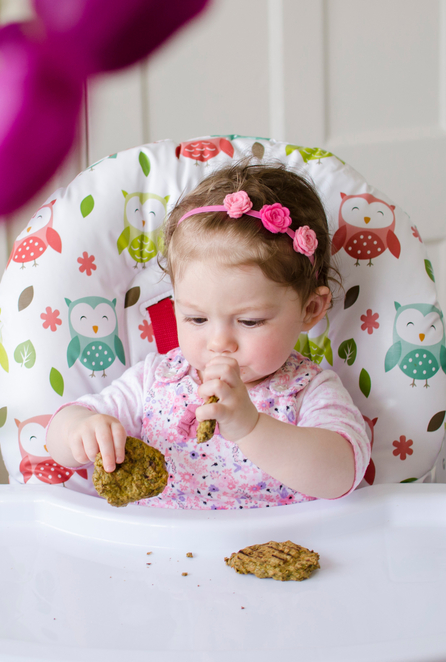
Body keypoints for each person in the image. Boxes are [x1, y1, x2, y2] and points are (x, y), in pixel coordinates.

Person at [44, 161, 371, 508]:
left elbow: (342, 475)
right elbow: (57, 438)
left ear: (310, 310)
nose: (219, 343)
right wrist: (82, 431)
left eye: (250, 322)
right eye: (197, 319)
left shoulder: (308, 391)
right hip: (160, 555)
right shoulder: (155, 382)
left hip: (267, 549)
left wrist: (251, 428)